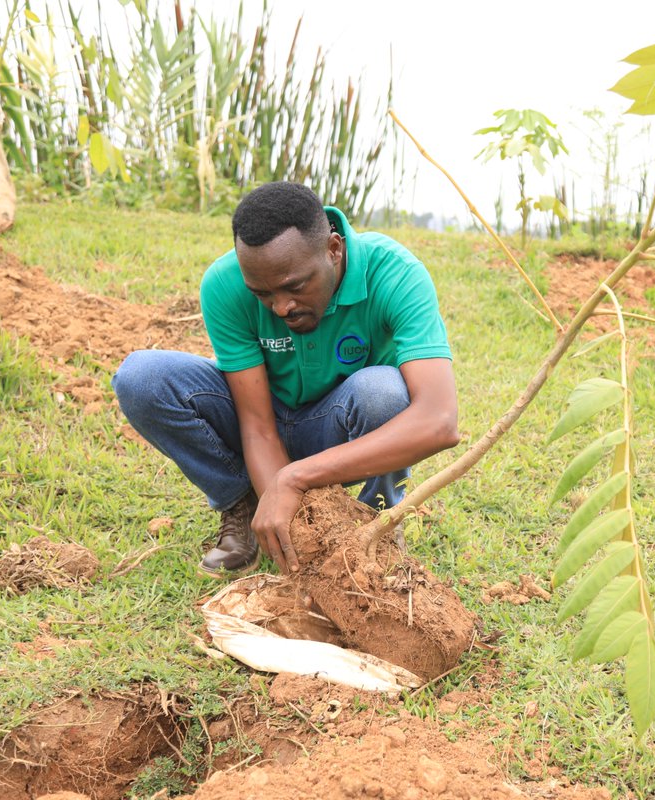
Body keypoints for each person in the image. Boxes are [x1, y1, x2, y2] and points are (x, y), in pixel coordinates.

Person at [113, 181, 460, 577]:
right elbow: (258, 426)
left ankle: (375, 520)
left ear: (334, 249)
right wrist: (285, 510)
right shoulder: (224, 284)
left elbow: (439, 422)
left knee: (382, 392)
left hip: (341, 425)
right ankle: (244, 504)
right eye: (262, 294)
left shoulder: (396, 274)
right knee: (142, 378)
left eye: (295, 287)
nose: (281, 307)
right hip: (262, 422)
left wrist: (293, 478)